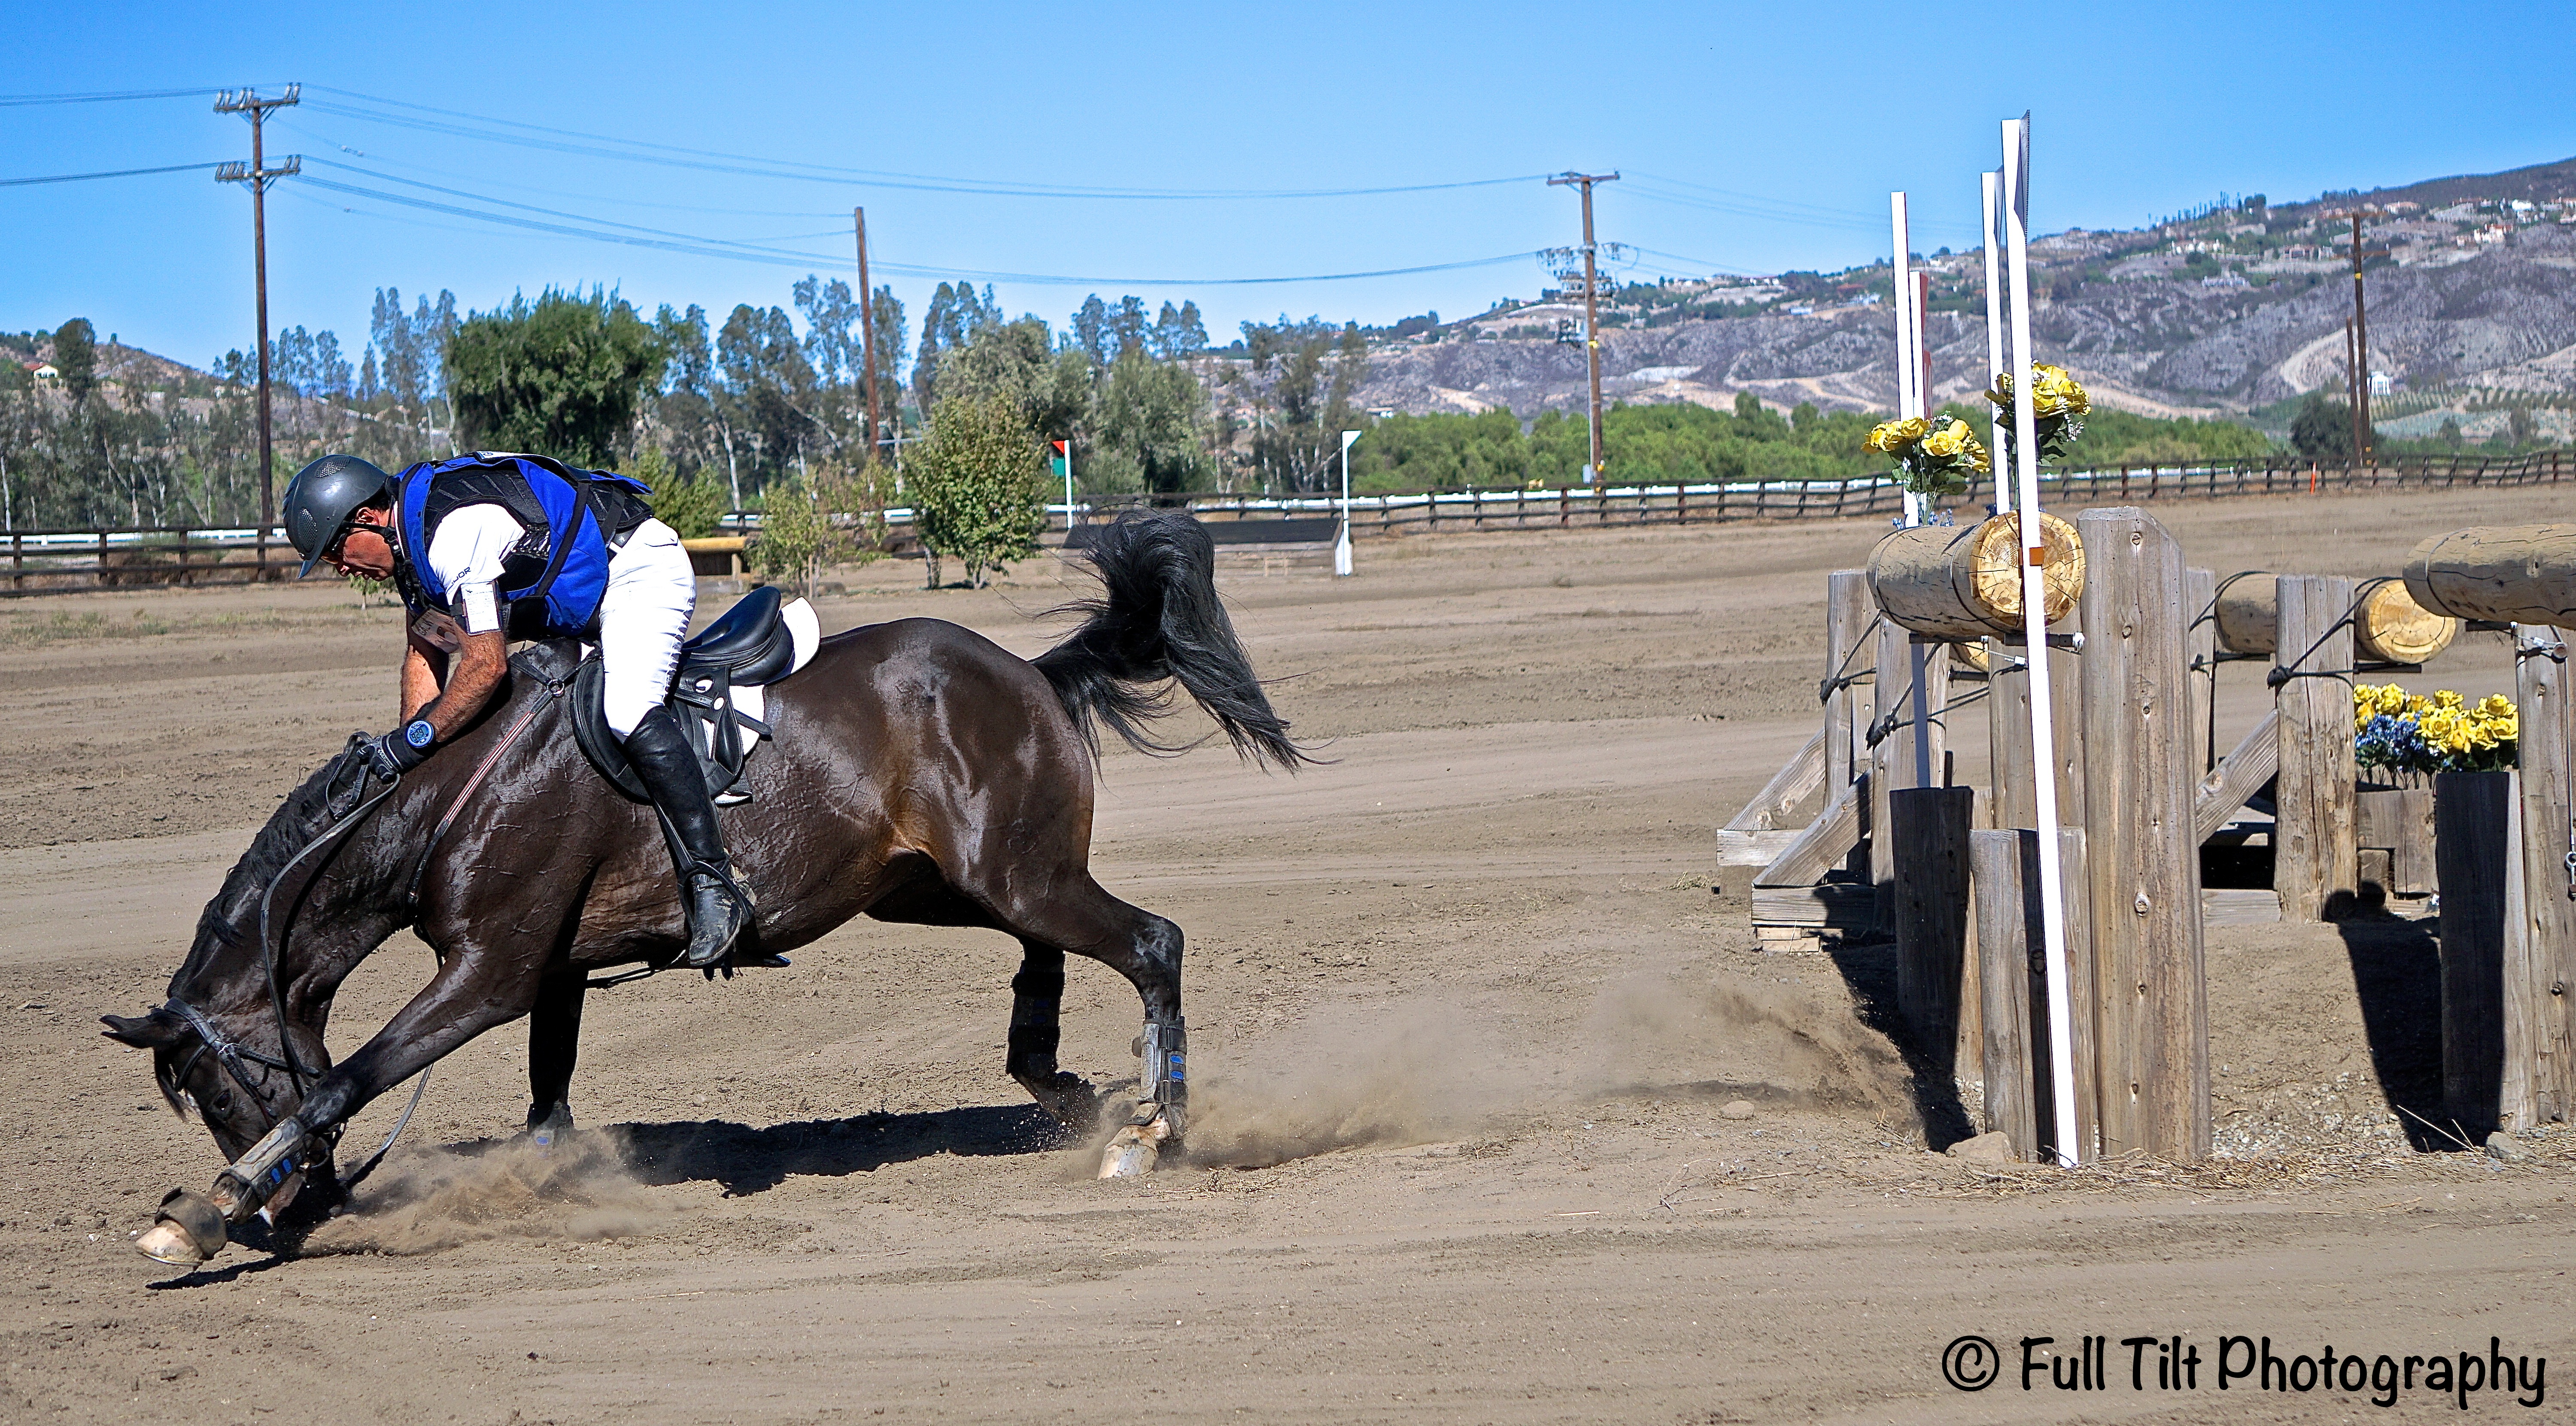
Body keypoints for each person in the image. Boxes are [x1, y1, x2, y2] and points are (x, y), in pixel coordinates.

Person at [281, 451, 747, 968]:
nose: (343, 568)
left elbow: (484, 666)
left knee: (628, 709)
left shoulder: (450, 533)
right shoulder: (411, 554)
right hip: (583, 605)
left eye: (335, 553)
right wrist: (414, 759)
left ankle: (713, 881)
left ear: (366, 519)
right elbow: (425, 652)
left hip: (636, 571)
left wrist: (416, 740)